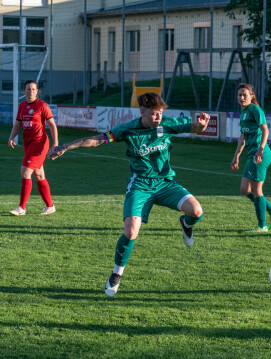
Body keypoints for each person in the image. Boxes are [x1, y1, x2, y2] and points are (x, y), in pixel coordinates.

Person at [47, 92, 210, 297]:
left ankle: (186, 224)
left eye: (160, 113)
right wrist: (65, 146)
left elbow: (195, 127)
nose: (158, 117)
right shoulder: (127, 129)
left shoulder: (167, 124)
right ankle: (117, 274)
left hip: (166, 183)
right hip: (140, 185)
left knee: (197, 211)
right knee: (131, 231)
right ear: (142, 112)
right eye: (153, 114)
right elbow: (98, 140)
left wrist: (202, 124)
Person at [231, 83, 271, 232]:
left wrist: (260, 150)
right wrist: (236, 156)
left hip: (260, 154)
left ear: (251, 96)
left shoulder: (255, 110)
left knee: (256, 191)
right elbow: (242, 137)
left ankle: (262, 226)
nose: (241, 98)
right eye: (239, 95)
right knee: (243, 189)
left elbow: (265, 130)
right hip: (251, 154)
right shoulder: (243, 112)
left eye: (244, 95)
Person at [8, 80, 58, 216]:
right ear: (24, 91)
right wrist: (11, 137)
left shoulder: (42, 105)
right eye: (28, 89)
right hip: (28, 143)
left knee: (25, 172)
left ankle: (21, 208)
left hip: (40, 143)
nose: (31, 91)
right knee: (39, 174)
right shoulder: (22, 106)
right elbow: (17, 125)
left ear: (37, 91)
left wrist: (55, 144)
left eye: (33, 89)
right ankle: (50, 206)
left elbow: (52, 125)